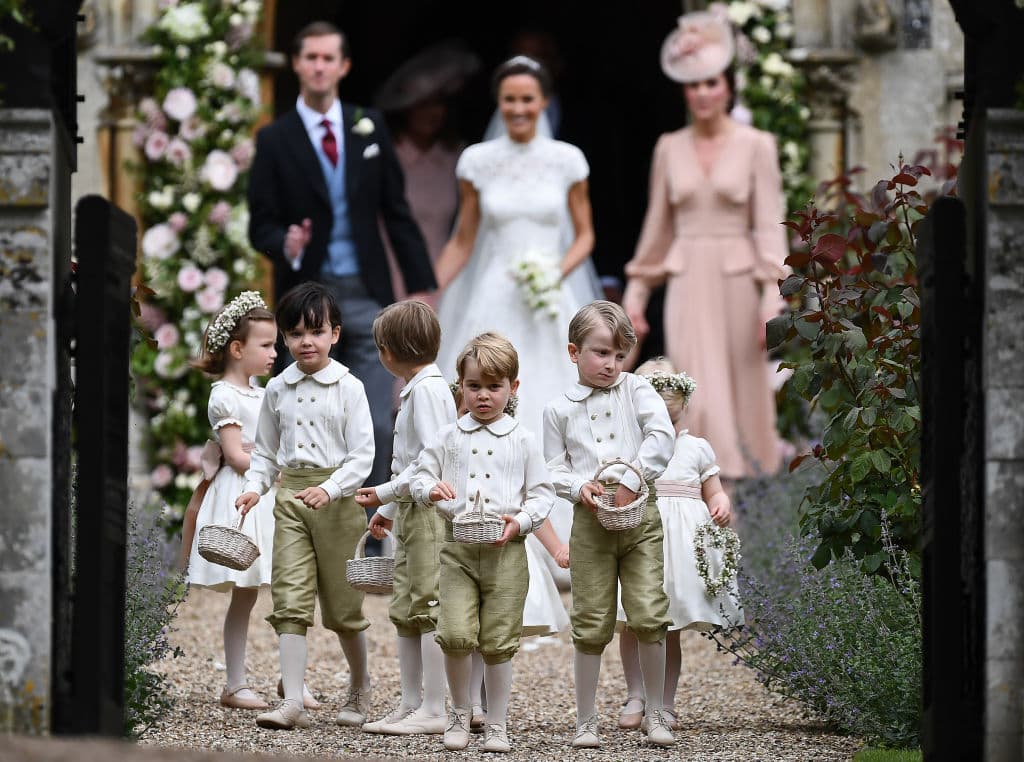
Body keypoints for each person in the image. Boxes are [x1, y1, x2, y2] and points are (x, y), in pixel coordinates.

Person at [247, 21, 437, 553]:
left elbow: (396, 213)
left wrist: (419, 285)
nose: (320, 67)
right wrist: (283, 242)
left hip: (367, 293)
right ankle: (301, 536)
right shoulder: (274, 138)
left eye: (329, 58)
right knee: (305, 420)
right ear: (296, 63)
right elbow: (258, 223)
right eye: (310, 57)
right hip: (306, 300)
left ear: (344, 65)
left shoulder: (368, 126)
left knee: (378, 419)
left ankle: (370, 541)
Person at [621, 10, 788, 483]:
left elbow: (770, 231)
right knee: (696, 395)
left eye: (712, 83)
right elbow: (656, 232)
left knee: (739, 405)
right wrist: (634, 299)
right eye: (694, 85)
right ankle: (696, 516)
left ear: (728, 86)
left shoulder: (758, 145)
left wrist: (771, 303)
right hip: (687, 280)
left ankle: (727, 529)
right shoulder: (668, 147)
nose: (703, 94)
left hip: (738, 284)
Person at [432, 54, 597, 438]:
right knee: (481, 381)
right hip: (494, 293)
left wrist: (554, 273)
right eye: (510, 99)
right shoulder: (477, 161)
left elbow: (586, 235)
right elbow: (462, 240)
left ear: (543, 102)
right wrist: (428, 291)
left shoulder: (567, 161)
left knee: (553, 384)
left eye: (527, 99)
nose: (518, 108)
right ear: (498, 102)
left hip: (548, 298)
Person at [235, 282, 375, 731]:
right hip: (291, 499)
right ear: (283, 337)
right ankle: (292, 698)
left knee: (342, 607)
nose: (305, 342)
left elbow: (362, 456)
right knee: (290, 598)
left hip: (337, 503)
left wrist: (332, 489)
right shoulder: (277, 389)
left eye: (315, 331)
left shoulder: (349, 387)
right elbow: (264, 453)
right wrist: (256, 486)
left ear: (335, 333)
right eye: (295, 334)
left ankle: (360, 684)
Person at [410, 332, 555, 754]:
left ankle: (497, 723)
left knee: (498, 639)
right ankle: (458, 711)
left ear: (513, 387)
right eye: (474, 386)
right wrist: (429, 490)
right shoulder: (447, 437)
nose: (484, 396)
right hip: (457, 551)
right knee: (455, 632)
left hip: (505, 552)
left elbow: (542, 493)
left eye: (494, 387)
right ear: (461, 386)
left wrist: (523, 521)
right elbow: (420, 474)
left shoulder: (523, 440)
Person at [542, 301, 676, 749]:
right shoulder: (558, 410)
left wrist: (634, 479)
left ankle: (657, 712)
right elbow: (552, 468)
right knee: (591, 619)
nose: (611, 365)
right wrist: (579, 486)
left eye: (619, 356)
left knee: (648, 612)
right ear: (573, 351)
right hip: (591, 522)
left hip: (640, 519)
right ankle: (585, 719)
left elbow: (661, 436)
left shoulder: (637, 390)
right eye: (601, 353)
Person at [614, 356, 743, 732]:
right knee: (632, 623)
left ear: (683, 405)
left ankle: (664, 702)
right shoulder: (631, 448)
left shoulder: (697, 448)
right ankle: (636, 693)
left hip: (681, 551)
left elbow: (714, 490)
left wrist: (720, 503)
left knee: (666, 627)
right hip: (640, 543)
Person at [354, 301, 457, 736]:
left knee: (429, 604)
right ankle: (411, 700)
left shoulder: (430, 392)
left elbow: (432, 460)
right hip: (412, 510)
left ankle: (435, 706)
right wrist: (389, 509)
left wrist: (383, 492)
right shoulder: (417, 388)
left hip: (431, 513)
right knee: (406, 606)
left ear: (389, 353)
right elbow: (409, 465)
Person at [180, 291, 278, 712]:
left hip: (267, 492)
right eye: (267, 345)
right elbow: (237, 456)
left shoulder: (264, 392)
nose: (276, 352)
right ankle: (235, 682)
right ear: (238, 349)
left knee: (286, 591)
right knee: (246, 591)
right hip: (244, 497)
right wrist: (279, 461)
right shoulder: (225, 395)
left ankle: (291, 678)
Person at [374, 39, 481, 295]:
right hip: (389, 277)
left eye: (437, 103)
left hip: (446, 278)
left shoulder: (457, 157)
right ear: (406, 109)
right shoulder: (385, 155)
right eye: (422, 104)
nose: (431, 112)